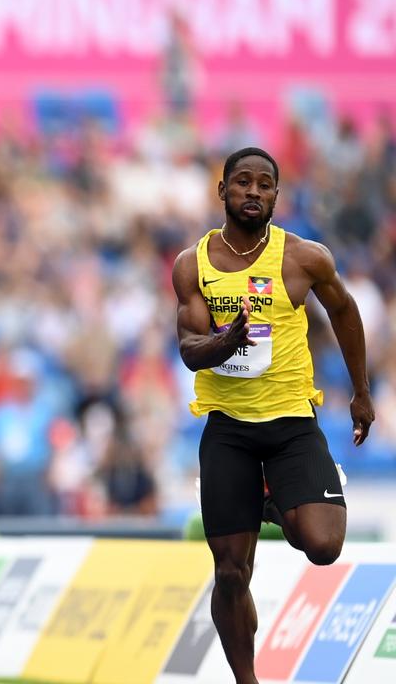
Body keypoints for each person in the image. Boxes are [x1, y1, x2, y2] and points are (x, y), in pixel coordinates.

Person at [171, 146, 372, 684]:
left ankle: (271, 501)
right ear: (222, 192)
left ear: (277, 195)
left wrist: (361, 392)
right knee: (231, 572)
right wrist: (223, 342)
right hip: (228, 429)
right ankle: (248, 681)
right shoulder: (193, 264)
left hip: (290, 426)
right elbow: (189, 349)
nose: (253, 192)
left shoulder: (303, 258)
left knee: (324, 545)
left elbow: (346, 312)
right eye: (242, 183)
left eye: (265, 184)